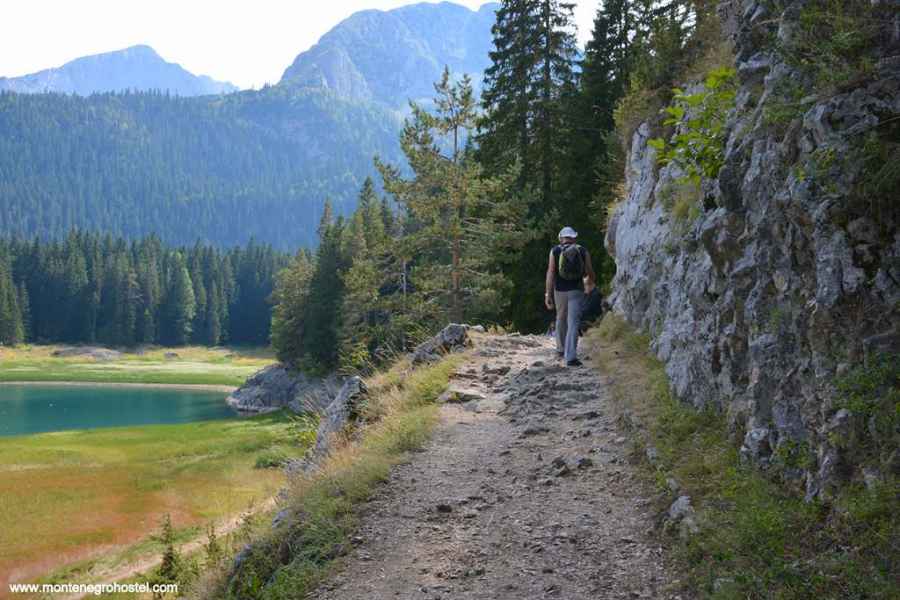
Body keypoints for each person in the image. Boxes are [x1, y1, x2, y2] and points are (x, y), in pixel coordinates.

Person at [545, 226, 596, 367]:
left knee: (560, 318)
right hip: (576, 290)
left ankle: (560, 349)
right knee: (573, 322)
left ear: (561, 237)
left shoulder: (555, 251)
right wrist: (590, 285)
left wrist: (548, 294)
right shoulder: (582, 250)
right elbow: (589, 271)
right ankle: (571, 357)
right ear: (574, 237)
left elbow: (550, 273)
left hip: (559, 291)